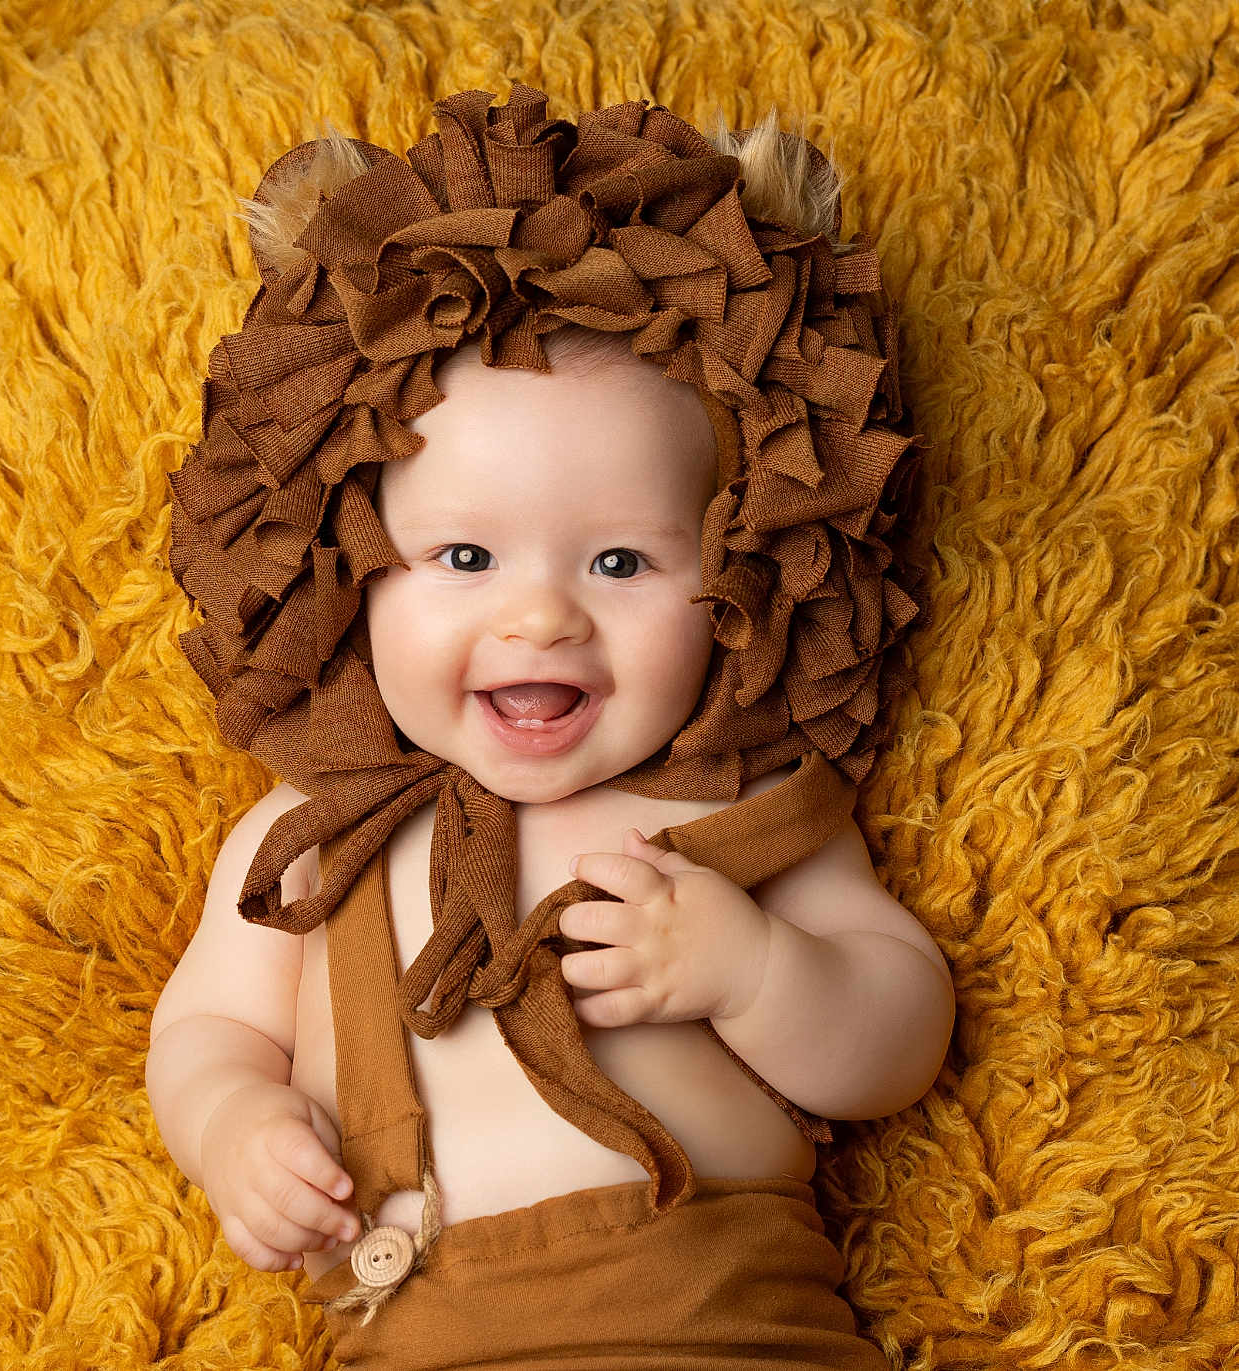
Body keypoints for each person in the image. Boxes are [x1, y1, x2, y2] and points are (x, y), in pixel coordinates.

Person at [147, 81, 957, 1368]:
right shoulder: (306, 842)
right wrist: (233, 1121)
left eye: (623, 566)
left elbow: (902, 1031)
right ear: (349, 570)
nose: (541, 623)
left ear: (735, 573)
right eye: (464, 555)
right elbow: (204, 1032)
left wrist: (755, 972)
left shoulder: (728, 798)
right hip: (413, 1329)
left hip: (718, 1318)